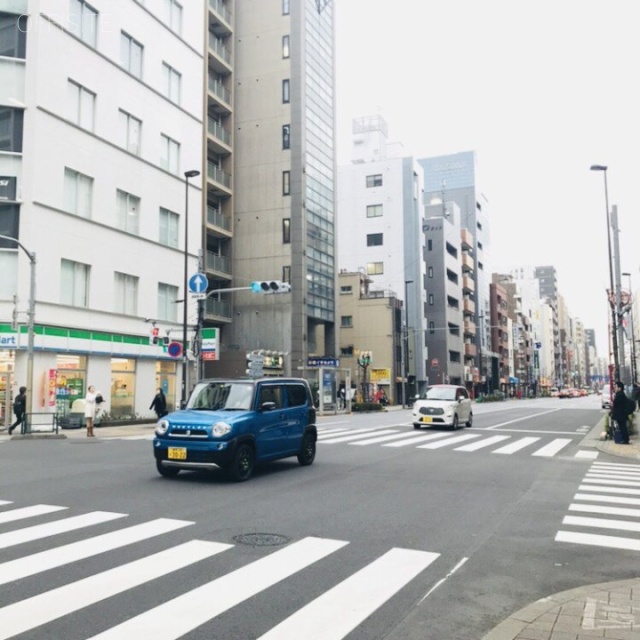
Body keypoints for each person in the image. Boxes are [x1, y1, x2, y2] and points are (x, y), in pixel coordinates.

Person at [610, 380, 630, 445]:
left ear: (619, 388)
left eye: (616, 387)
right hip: (621, 414)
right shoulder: (620, 394)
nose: (615, 388)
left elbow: (617, 405)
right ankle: (625, 439)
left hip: (620, 414)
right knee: (623, 427)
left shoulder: (619, 395)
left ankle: (625, 440)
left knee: (623, 427)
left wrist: (613, 403)